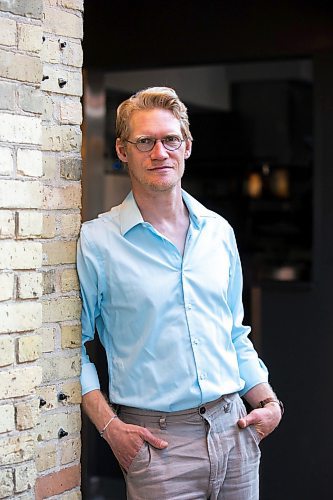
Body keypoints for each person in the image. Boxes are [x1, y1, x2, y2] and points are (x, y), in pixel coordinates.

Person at [77, 86, 283, 500]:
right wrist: (110, 428)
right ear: (122, 150)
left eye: (170, 140)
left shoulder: (219, 232)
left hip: (235, 430)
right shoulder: (98, 242)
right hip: (158, 447)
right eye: (145, 142)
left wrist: (267, 398)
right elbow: (73, 351)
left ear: (186, 147)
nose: (160, 153)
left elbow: (233, 332)